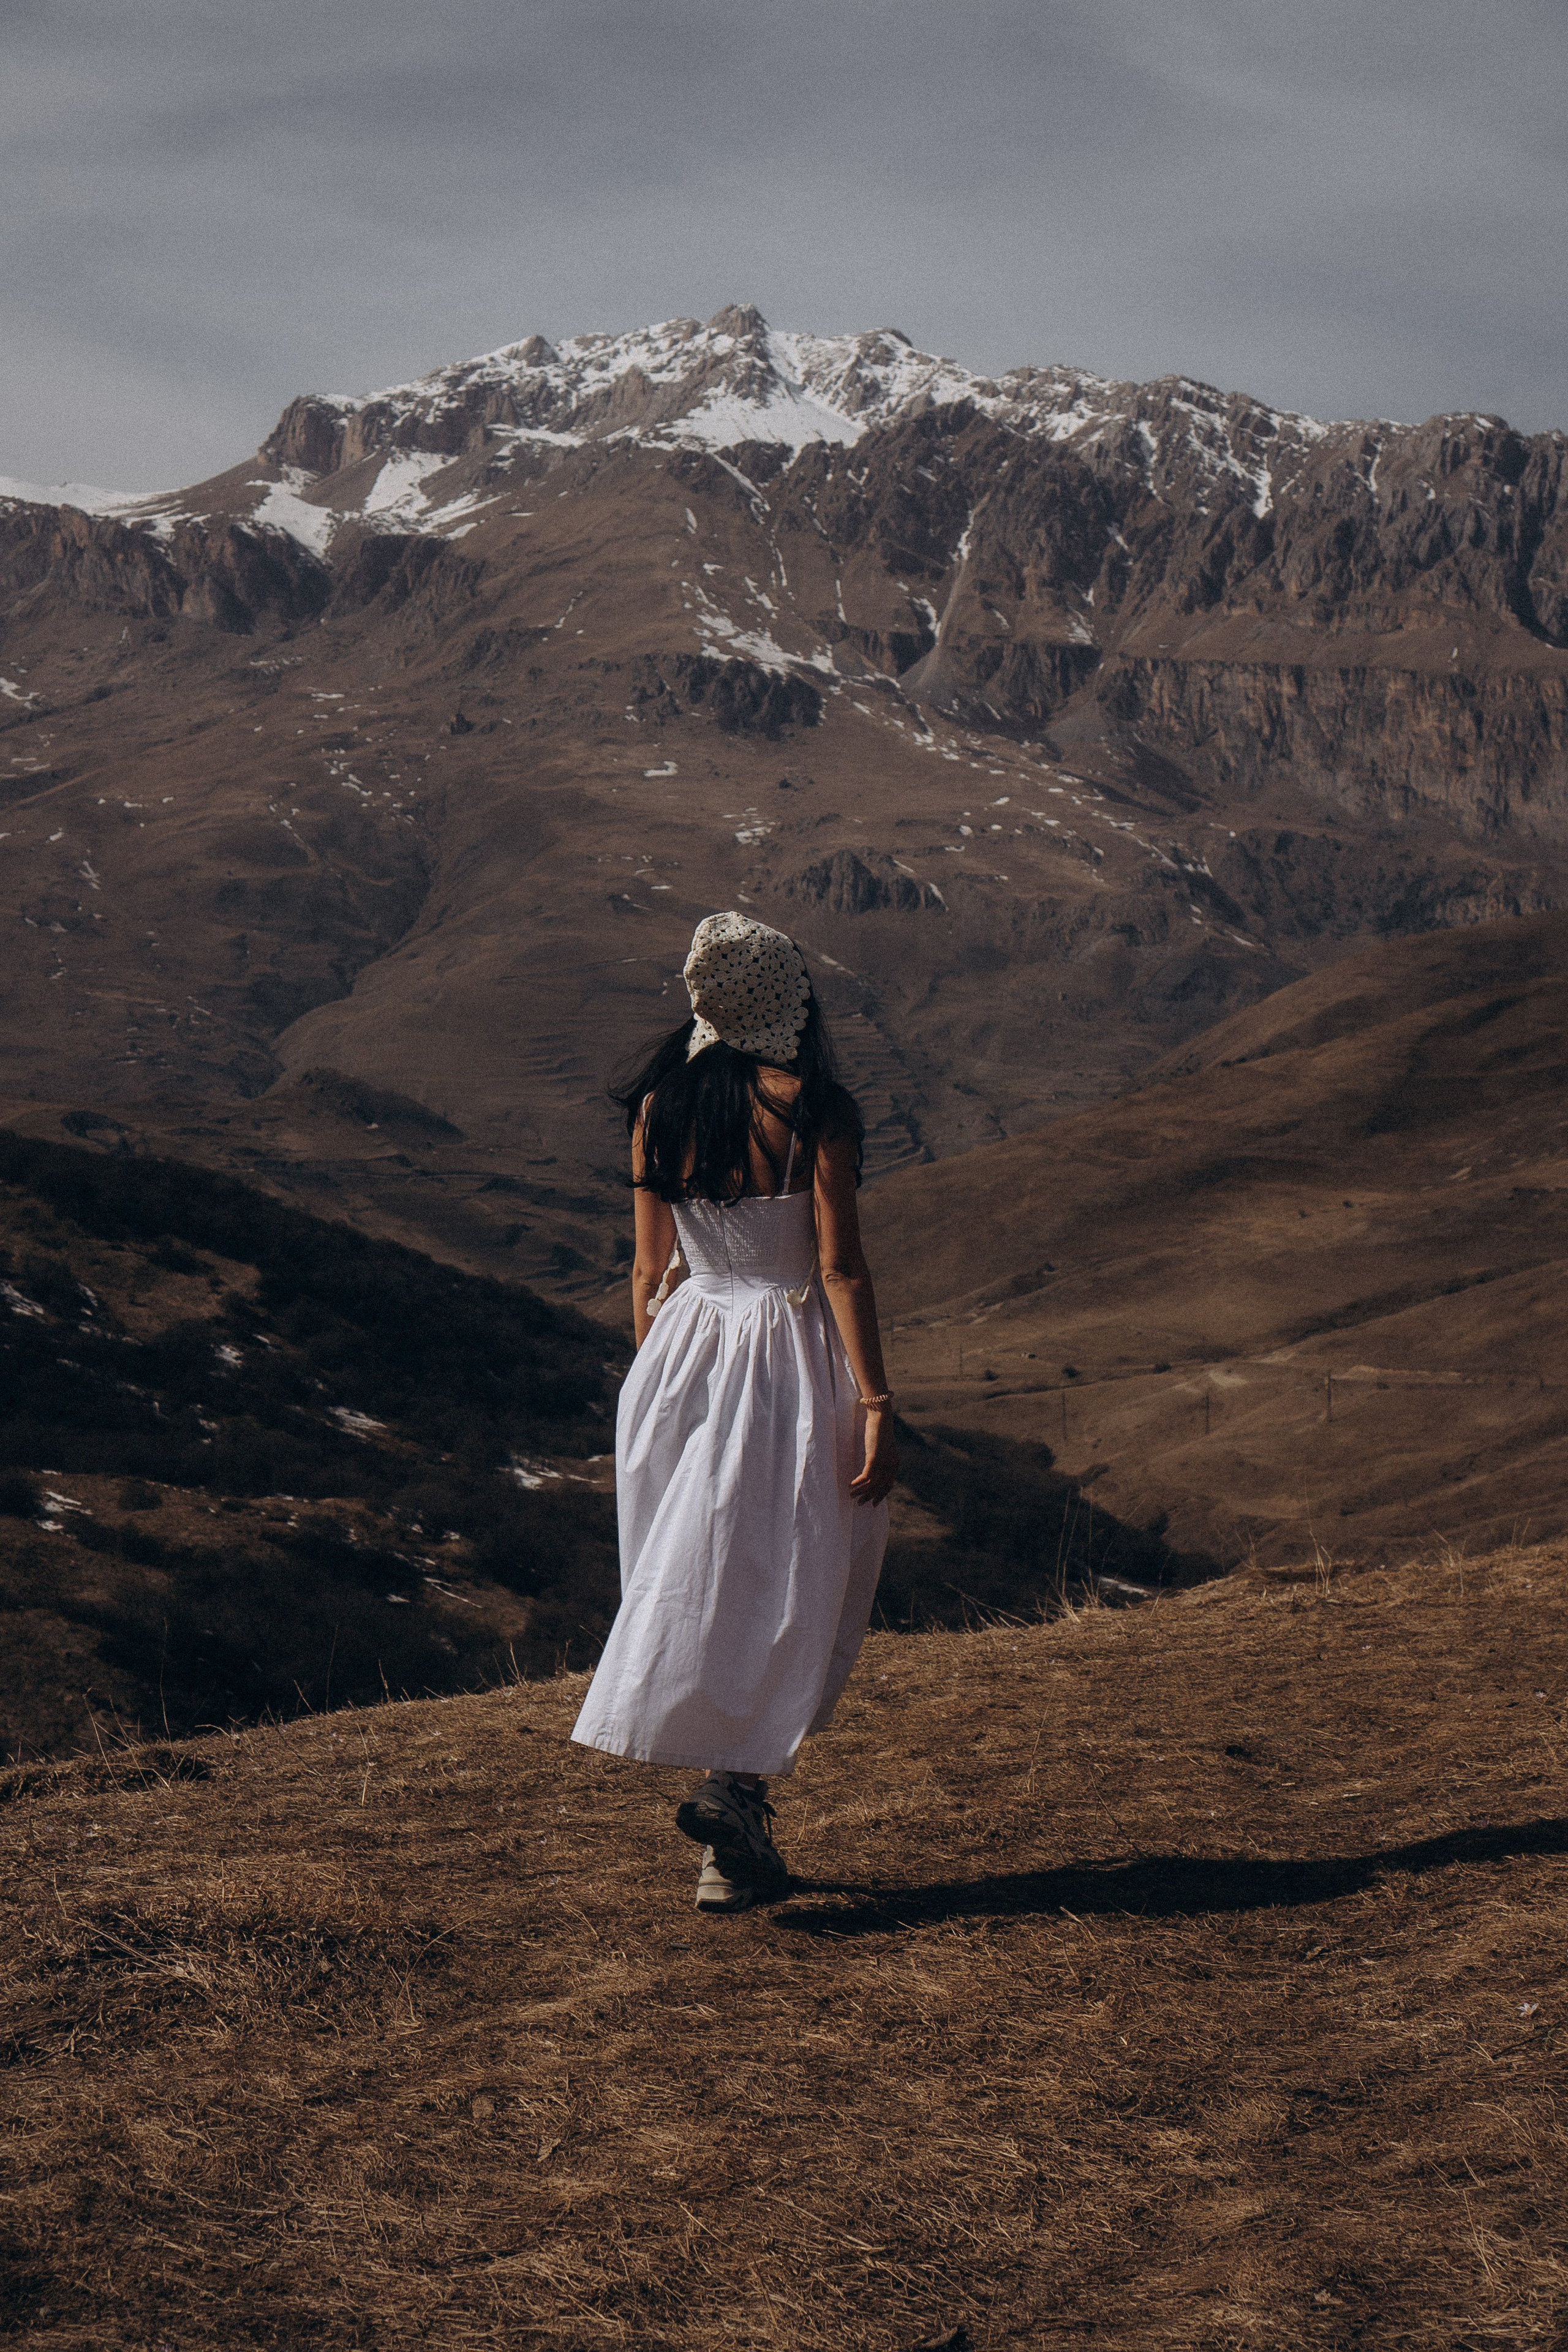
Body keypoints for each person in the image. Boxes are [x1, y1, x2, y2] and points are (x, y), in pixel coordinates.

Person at [571, 911, 897, 1912]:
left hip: (683, 1351)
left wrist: (656, 1385)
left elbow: (644, 1267)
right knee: (788, 1569)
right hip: (788, 1350)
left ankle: (732, 1817)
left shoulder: (661, 1106)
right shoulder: (812, 1112)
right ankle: (735, 1797)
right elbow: (837, 1266)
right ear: (784, 1001)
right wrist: (877, 1397)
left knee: (707, 1570)